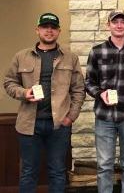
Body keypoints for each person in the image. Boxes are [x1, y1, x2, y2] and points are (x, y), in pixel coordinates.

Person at [3, 13, 85, 193]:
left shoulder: (70, 58)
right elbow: (9, 83)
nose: (49, 31)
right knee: (28, 172)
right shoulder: (21, 56)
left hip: (59, 125)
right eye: (45, 27)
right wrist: (25, 93)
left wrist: (71, 117)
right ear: (37, 30)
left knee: (57, 172)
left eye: (53, 27)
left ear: (59, 31)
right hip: (28, 124)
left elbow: (79, 89)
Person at [84, 10, 124, 193]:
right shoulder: (97, 51)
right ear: (108, 25)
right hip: (104, 117)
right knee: (104, 165)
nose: (119, 25)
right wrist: (100, 93)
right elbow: (88, 82)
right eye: (115, 22)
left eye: (123, 22)